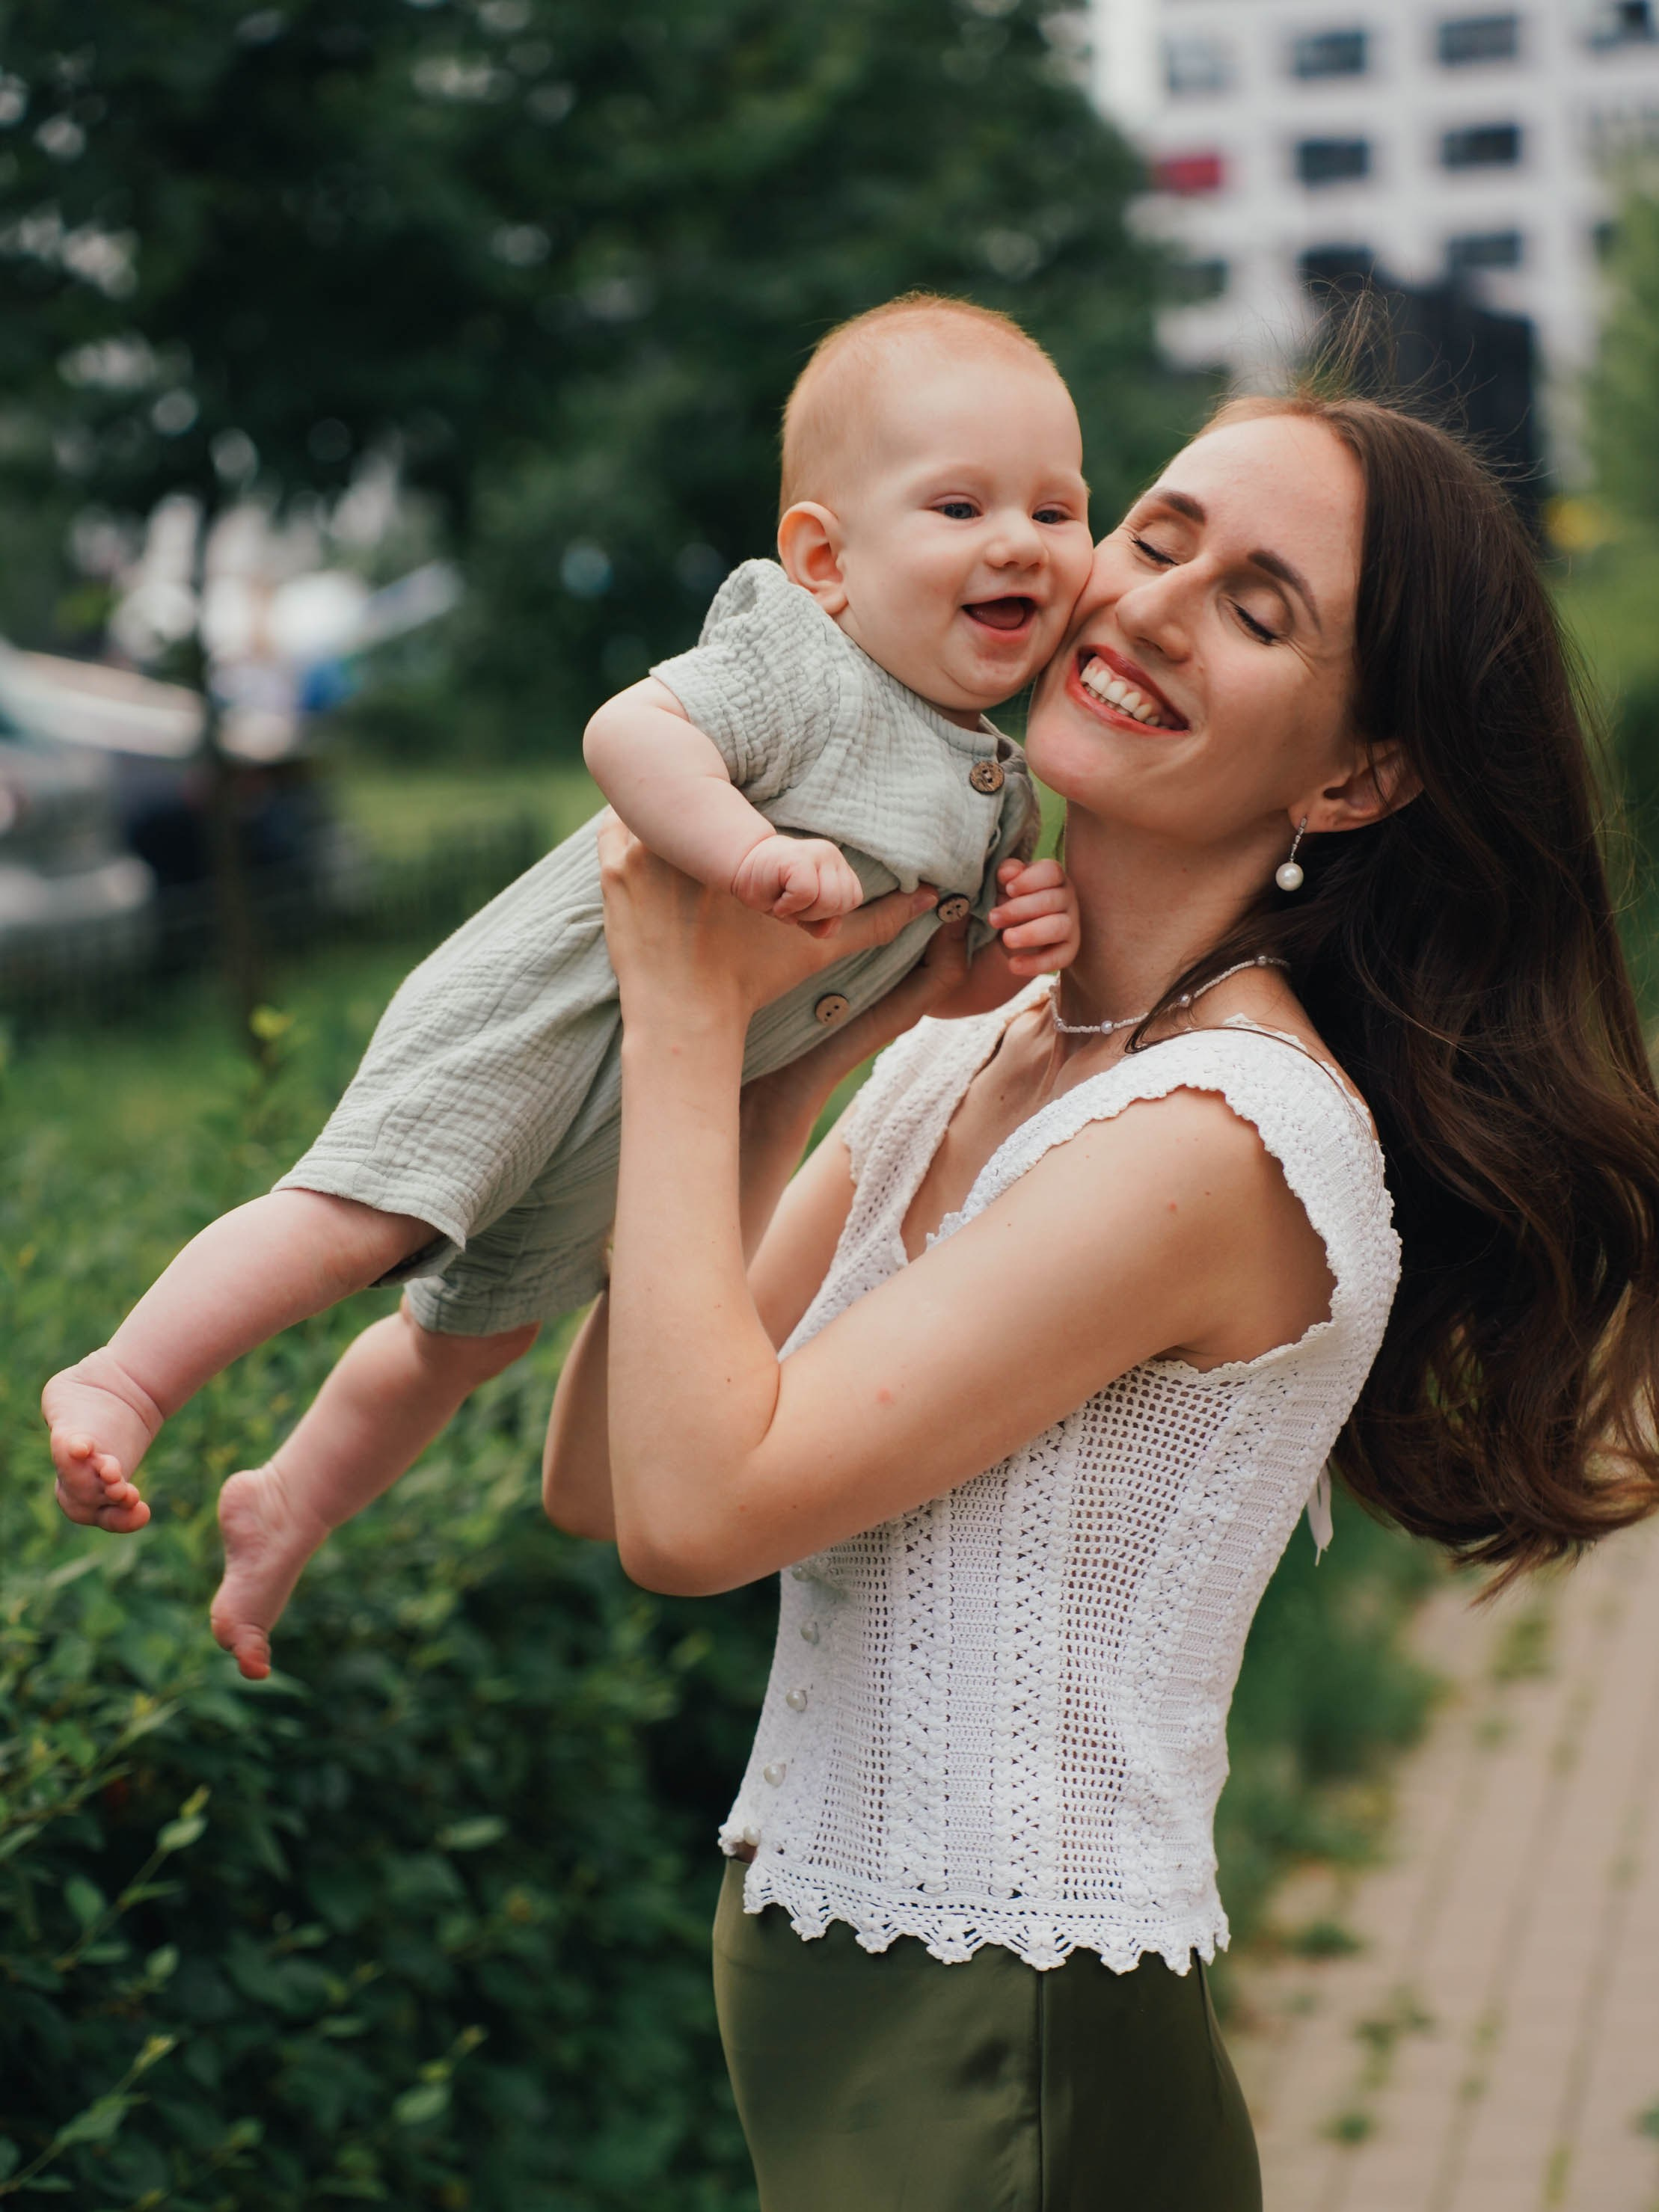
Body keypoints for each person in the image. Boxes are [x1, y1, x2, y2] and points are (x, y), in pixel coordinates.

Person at [543, 384, 1659, 2208]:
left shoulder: (1218, 1136)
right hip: (842, 1999)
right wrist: (773, 1059)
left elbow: (693, 1519)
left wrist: (682, 1013)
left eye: (1256, 609)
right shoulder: (967, 1046)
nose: (1147, 607)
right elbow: (601, 1470)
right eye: (1154, 537)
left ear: (1352, 780)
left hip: (1006, 2045)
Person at [40, 294, 1091, 1678]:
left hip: (655, 1097)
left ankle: (288, 1503)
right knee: (353, 1225)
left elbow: (919, 980)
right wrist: (745, 847)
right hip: (539, 1018)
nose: (1020, 541)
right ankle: (122, 1378)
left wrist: (1000, 958)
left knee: (470, 1342)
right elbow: (630, 731)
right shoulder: (801, 663)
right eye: (960, 507)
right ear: (824, 560)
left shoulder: (999, 791)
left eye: (1058, 510)